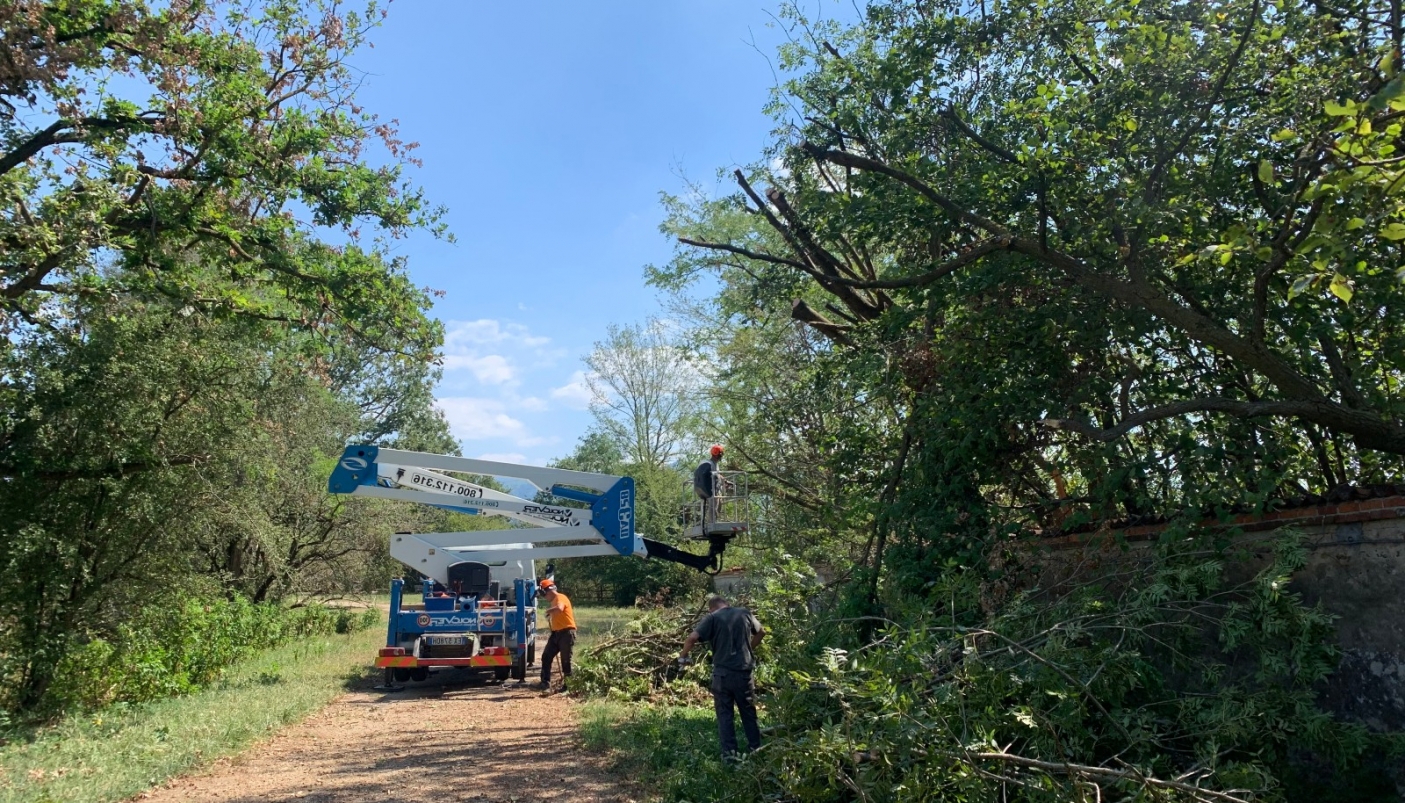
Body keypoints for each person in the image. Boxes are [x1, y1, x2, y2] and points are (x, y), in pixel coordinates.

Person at [678, 595, 765, 759]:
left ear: (711, 608)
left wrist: (683, 655)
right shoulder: (744, 613)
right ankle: (756, 750)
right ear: (727, 604)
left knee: (725, 715)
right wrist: (749, 649)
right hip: (744, 673)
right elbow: (761, 632)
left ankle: (730, 756)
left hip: (723, 674)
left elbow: (692, 638)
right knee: (749, 712)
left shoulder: (712, 617)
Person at [536, 579, 576, 689]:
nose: (545, 598)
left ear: (547, 591)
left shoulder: (560, 597)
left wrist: (548, 611)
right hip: (556, 634)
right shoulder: (553, 601)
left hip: (567, 633)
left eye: (544, 595)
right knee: (546, 656)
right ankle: (545, 683)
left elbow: (559, 609)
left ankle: (568, 685)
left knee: (565, 659)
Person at [694, 444, 726, 526]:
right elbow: (714, 476)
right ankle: (712, 523)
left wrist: (724, 480)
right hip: (708, 489)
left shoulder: (707, 463)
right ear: (720, 455)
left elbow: (717, 475)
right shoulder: (711, 464)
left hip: (699, 488)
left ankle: (712, 521)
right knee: (715, 501)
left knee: (718, 500)